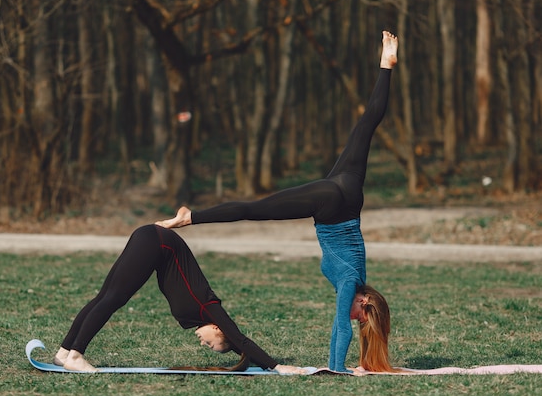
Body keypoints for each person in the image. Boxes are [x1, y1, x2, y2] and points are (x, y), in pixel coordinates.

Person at [156, 31, 400, 374]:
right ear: (366, 301)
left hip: (347, 196)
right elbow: (340, 327)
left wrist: (362, 361)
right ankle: (189, 217)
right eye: (360, 313)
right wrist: (335, 369)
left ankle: (385, 65)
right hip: (330, 206)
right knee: (254, 209)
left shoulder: (359, 276)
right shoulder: (349, 284)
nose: (352, 315)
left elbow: (354, 324)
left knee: (365, 126)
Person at [53, 224, 307, 374]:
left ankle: (64, 353)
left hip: (154, 242)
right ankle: (76, 356)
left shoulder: (199, 315)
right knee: (112, 298)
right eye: (211, 344)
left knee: (107, 297)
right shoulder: (210, 306)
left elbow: (237, 344)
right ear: (218, 329)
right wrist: (276, 366)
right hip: (157, 242)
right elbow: (239, 338)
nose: (203, 345)